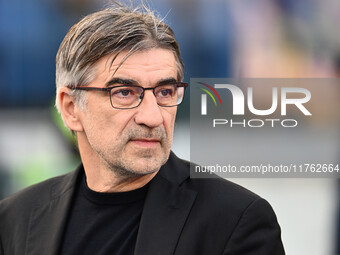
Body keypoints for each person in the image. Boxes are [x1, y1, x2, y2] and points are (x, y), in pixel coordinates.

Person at [0, 3, 285, 255]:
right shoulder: (16, 218)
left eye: (165, 92)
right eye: (124, 92)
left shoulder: (235, 220)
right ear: (71, 108)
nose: (152, 117)